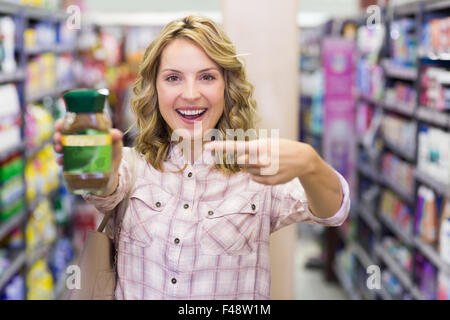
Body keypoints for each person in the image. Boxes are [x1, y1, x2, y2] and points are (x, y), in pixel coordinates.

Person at [53, 15, 350, 300]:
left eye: (207, 76)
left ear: (227, 86)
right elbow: (105, 192)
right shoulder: (133, 165)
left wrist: (311, 164)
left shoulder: (256, 167)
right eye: (173, 78)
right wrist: (97, 168)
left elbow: (333, 211)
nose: (191, 94)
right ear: (154, 89)